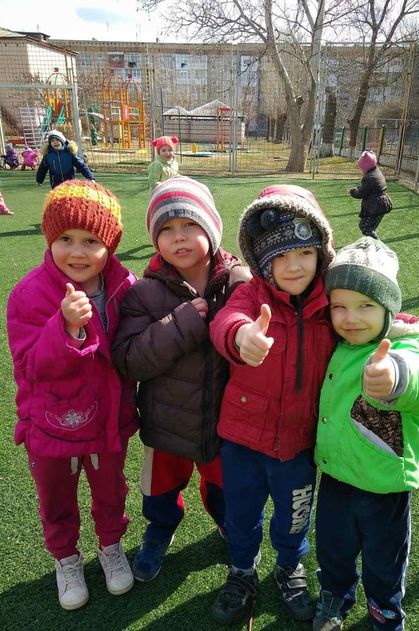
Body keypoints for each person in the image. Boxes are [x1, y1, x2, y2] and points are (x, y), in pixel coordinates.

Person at [312, 237, 419, 631]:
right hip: (335, 476)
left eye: (366, 306)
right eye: (340, 306)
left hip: (385, 487)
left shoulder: (408, 346)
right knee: (333, 547)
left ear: (389, 309)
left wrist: (395, 376)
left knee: (385, 558)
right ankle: (335, 594)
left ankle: (384, 607)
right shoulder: (337, 343)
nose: (351, 317)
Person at [7, 180, 139, 611]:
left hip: (107, 422)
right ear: (50, 238)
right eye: (65, 239)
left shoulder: (125, 285)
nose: (77, 252)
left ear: (111, 245)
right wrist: (63, 328)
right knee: (56, 500)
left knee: (111, 493)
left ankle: (110, 548)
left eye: (91, 240)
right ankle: (66, 558)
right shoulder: (29, 294)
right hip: (52, 426)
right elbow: (31, 366)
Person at [111, 176, 251, 583]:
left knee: (225, 484)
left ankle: (228, 524)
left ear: (210, 228)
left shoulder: (238, 283)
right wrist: (181, 323)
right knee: (159, 487)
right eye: (167, 230)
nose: (179, 237)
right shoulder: (145, 293)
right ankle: (160, 528)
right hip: (166, 421)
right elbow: (128, 359)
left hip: (223, 421)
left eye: (189, 225)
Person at [209, 184, 337, 624]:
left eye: (303, 252)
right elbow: (227, 320)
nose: (293, 265)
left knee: (294, 514)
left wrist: (403, 326)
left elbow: (371, 312)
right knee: (241, 512)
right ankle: (242, 569)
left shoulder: (331, 300)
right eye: (279, 257)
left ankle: (288, 566)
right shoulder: (252, 296)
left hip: (300, 443)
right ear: (263, 263)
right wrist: (242, 336)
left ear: (321, 249)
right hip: (243, 439)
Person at [349, 150, 392, 239]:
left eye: (361, 168)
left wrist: (353, 192)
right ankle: (372, 246)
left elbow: (361, 193)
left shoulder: (369, 178)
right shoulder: (377, 172)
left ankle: (377, 244)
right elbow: (369, 188)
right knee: (371, 228)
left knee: (364, 227)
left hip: (375, 206)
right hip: (383, 204)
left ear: (366, 167)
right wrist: (359, 188)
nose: (361, 170)